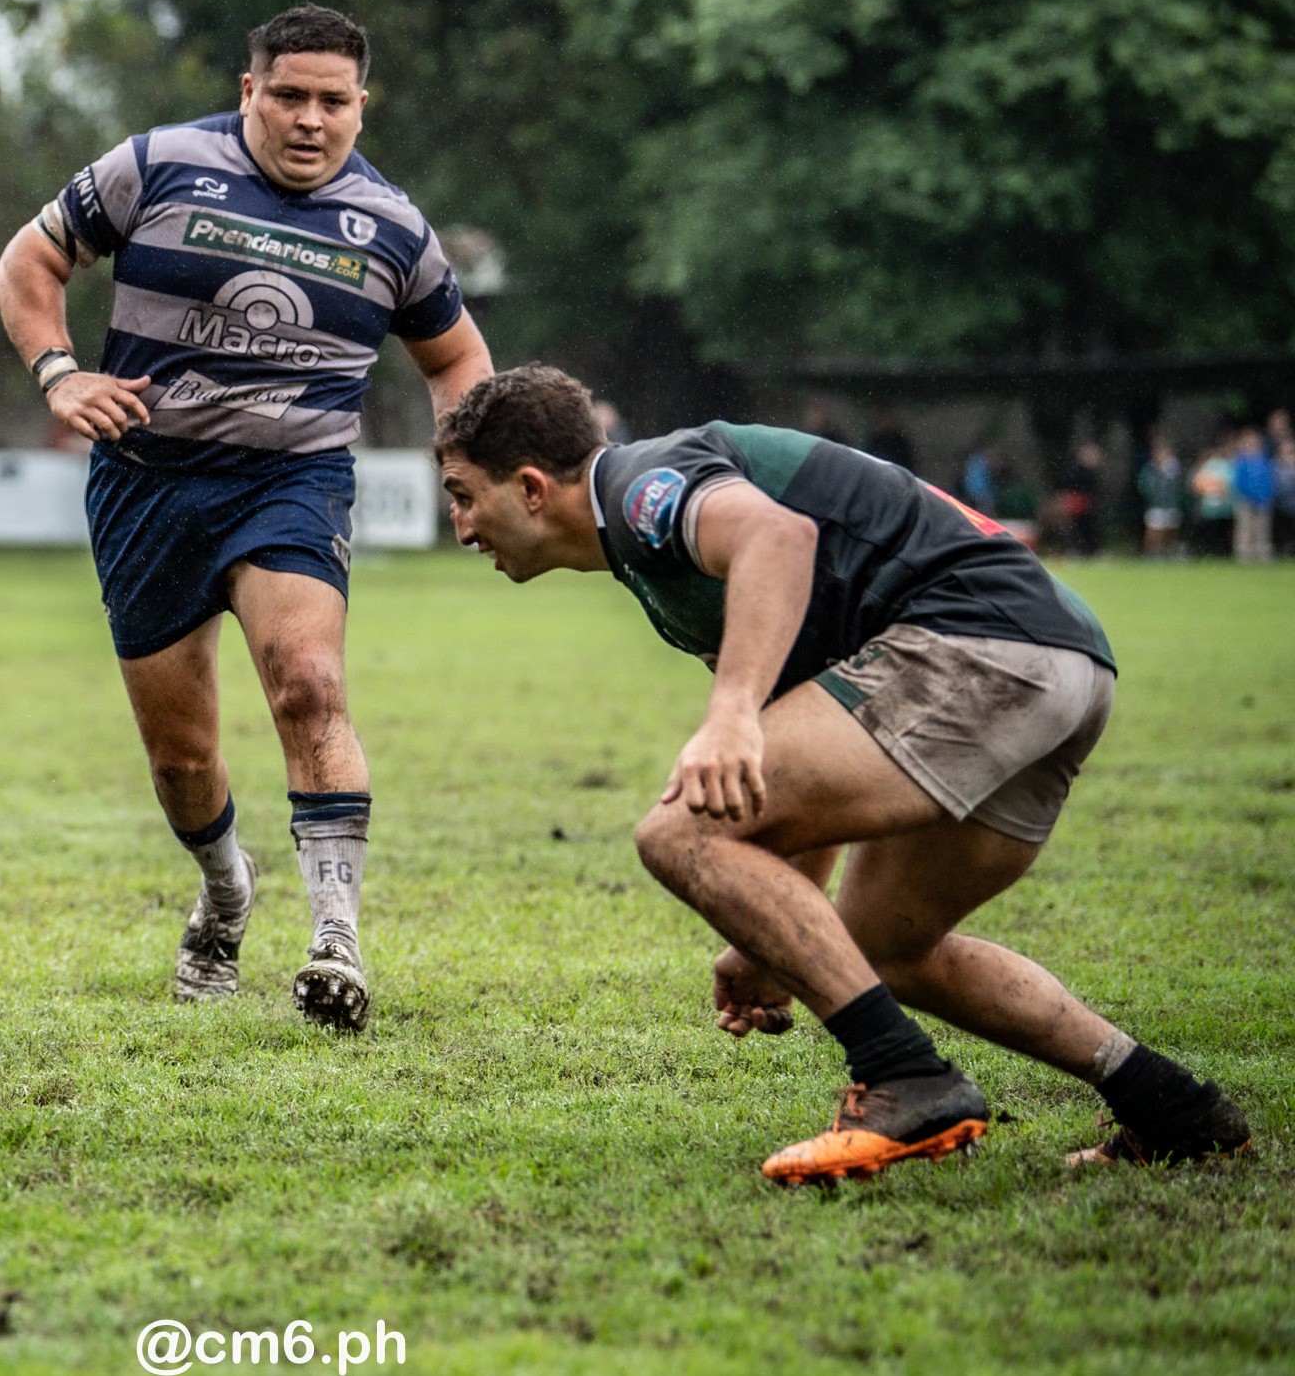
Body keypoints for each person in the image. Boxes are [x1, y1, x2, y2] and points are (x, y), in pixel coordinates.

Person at [433, 365, 1250, 1184]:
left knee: (679, 831)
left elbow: (776, 539)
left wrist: (730, 715)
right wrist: (769, 937)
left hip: (976, 647)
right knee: (883, 950)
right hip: (1058, 662)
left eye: (465, 495)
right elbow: (808, 732)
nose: (463, 526)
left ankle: (906, 1079)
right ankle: (1173, 1107)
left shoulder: (645, 490)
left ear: (533, 488)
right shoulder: (649, 552)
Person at [0, 4, 491, 1030]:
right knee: (182, 757)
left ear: (361, 105)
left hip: (291, 481)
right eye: (290, 96)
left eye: (334, 101)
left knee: (308, 685)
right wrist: (58, 374)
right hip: (147, 482)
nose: (311, 119)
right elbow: (25, 264)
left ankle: (334, 937)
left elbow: (455, 359)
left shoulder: (391, 227)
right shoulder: (155, 165)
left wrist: (468, 470)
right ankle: (224, 888)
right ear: (248, 92)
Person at [1136, 435, 1185, 558]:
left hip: (1171, 505)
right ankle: (1151, 553)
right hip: (1156, 505)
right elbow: (1144, 486)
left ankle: (1167, 553)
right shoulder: (1150, 470)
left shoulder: (1173, 470)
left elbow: (1179, 488)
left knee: (1170, 531)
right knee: (1154, 531)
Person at [1231, 428, 1275, 563]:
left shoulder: (1264, 460)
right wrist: (1247, 495)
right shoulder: (1241, 461)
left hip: (1263, 500)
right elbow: (1239, 481)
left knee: (1262, 529)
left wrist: (1266, 496)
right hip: (1245, 500)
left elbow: (1269, 480)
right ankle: (1244, 555)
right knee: (1245, 528)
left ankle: (1262, 554)